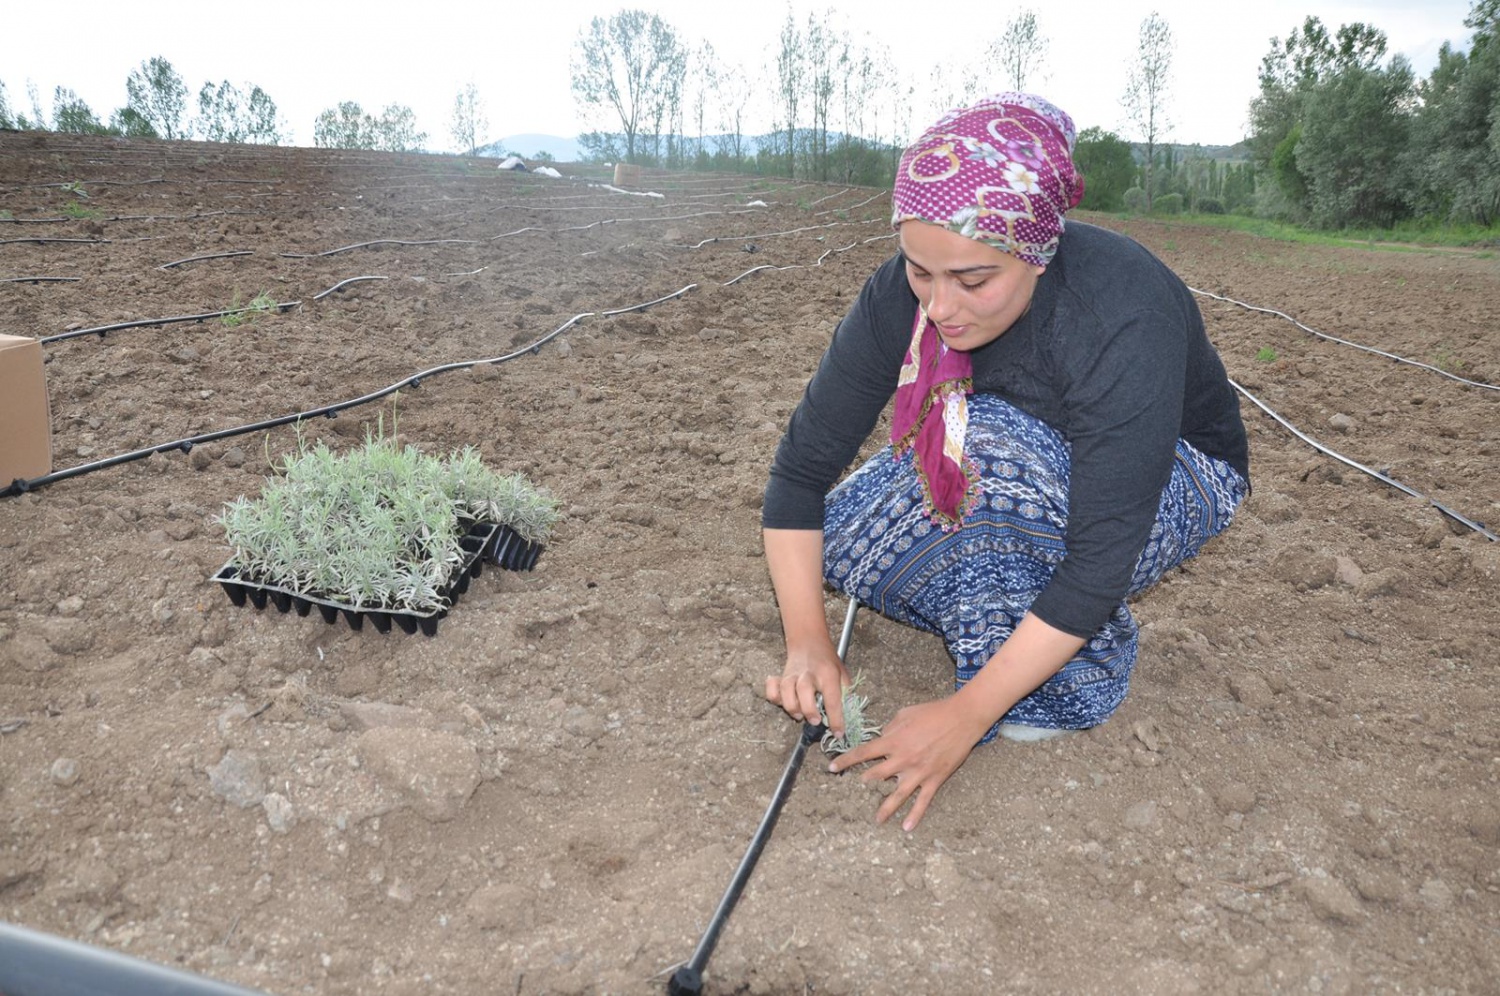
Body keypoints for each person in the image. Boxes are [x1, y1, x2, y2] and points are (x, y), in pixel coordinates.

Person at [760, 93, 1250, 832]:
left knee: (992, 465)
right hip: (1001, 449)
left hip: (1176, 473)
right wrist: (809, 646)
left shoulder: (1121, 312)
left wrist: (964, 714)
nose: (939, 308)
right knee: (848, 531)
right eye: (920, 271)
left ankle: (1061, 680)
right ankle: (996, 599)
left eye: (973, 279)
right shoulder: (907, 291)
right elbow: (800, 476)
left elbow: (1099, 559)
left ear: (1036, 252)